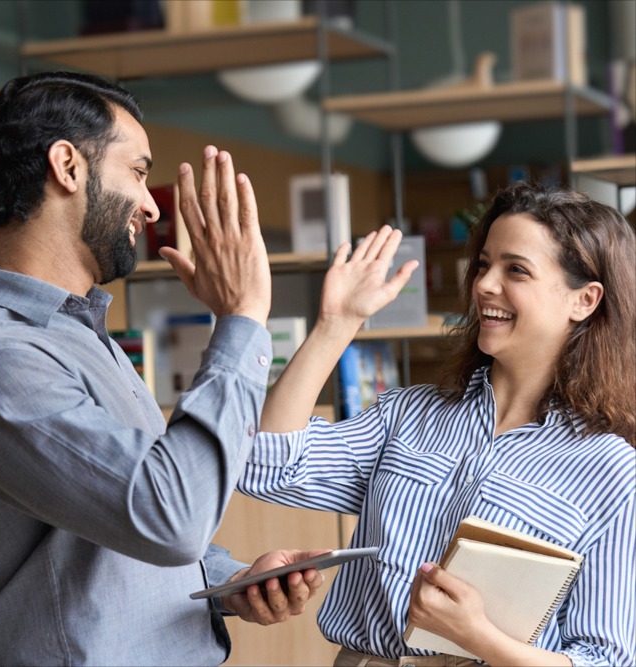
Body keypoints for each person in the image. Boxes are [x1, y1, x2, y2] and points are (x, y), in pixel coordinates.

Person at [0, 70, 330, 666]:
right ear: (68, 167)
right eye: (137, 171)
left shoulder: (83, 334)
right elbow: (171, 516)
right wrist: (242, 317)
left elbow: (116, 513)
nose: (149, 201)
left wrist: (229, 579)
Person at [237, 183, 636, 666]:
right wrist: (336, 324)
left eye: (517, 270)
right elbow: (264, 466)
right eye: (485, 264)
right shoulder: (406, 414)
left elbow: (605, 658)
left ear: (585, 300)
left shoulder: (612, 469)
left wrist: (478, 636)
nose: (485, 284)